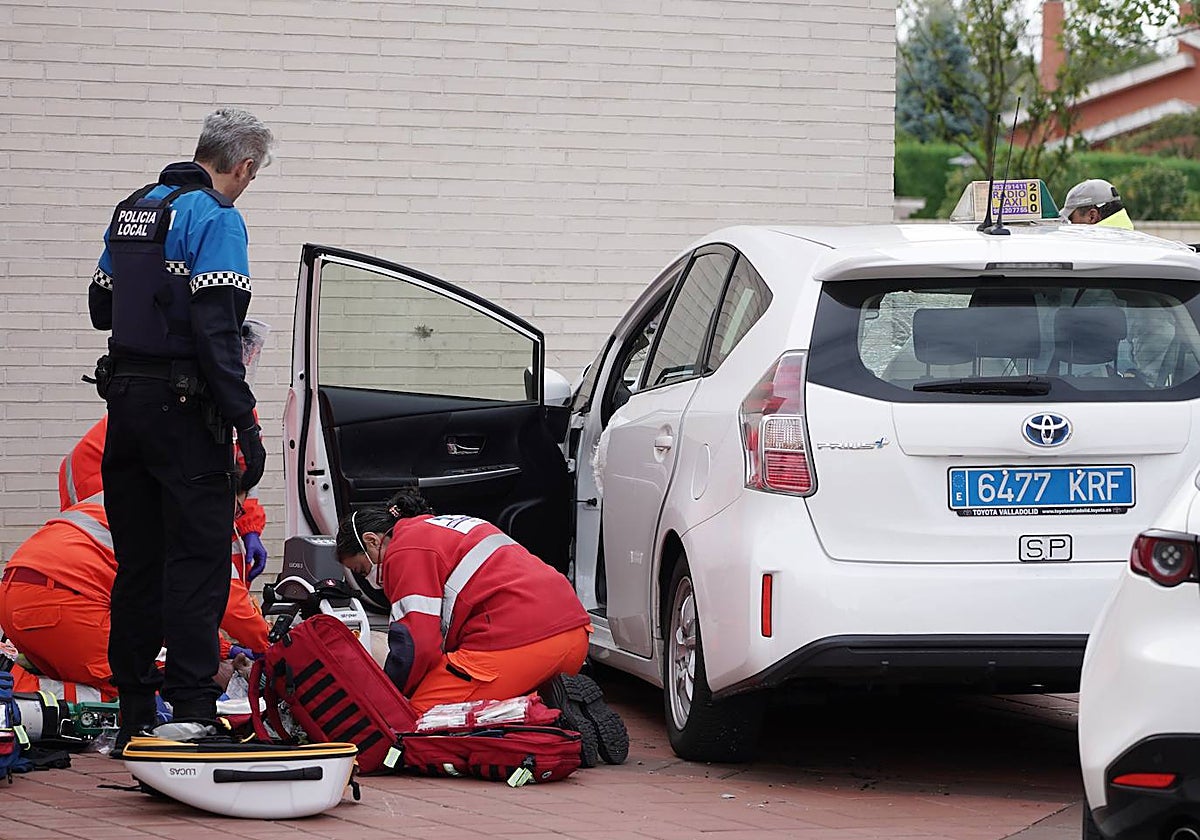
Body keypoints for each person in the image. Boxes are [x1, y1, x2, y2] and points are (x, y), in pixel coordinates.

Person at [87, 107, 273, 748]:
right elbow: (216, 330)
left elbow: (100, 306)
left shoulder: (133, 208)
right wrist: (245, 424)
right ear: (243, 166)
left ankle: (135, 712)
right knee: (195, 563)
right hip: (184, 411)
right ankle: (194, 711)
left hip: (125, 407)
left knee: (138, 563)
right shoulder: (216, 218)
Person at [335, 488, 629, 765]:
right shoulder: (449, 525)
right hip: (573, 637)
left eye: (362, 569)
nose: (369, 579)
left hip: (523, 644)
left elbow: (418, 645)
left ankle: (546, 720)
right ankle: (554, 698)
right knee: (451, 681)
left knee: (416, 721)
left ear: (372, 540)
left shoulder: (404, 550)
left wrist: (391, 695)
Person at [0, 492, 270, 703]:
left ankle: (19, 688)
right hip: (61, 602)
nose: (234, 522)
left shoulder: (142, 493)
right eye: (237, 510)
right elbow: (230, 603)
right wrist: (271, 648)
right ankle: (26, 697)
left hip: (20, 596)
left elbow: (163, 613)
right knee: (135, 692)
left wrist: (227, 649)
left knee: (111, 673)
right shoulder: (193, 515)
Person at [58, 413, 270, 581]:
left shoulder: (240, 409)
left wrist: (250, 528)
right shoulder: (194, 399)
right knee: (129, 566)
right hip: (98, 474)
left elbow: (246, 478)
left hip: (137, 464)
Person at [1060, 178, 1135, 229]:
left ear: (1092, 216)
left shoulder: (1093, 249)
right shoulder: (1139, 242)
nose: (1069, 225)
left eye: (1070, 219)